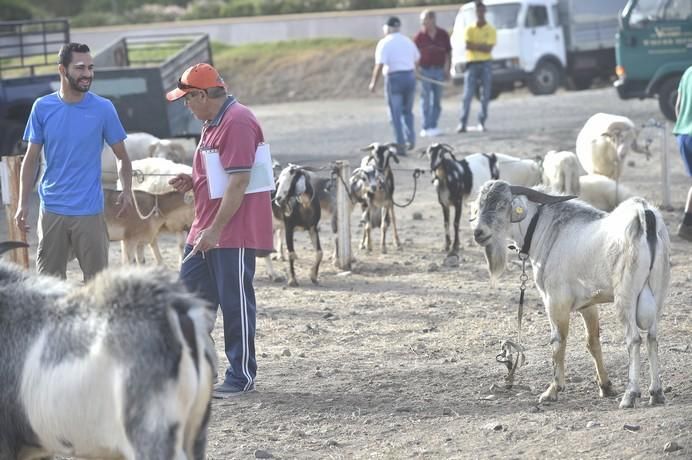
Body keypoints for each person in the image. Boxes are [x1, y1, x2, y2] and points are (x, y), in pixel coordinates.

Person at [166, 63, 273, 398]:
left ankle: (241, 377)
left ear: (201, 94)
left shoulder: (237, 121)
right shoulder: (213, 121)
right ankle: (199, 372)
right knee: (188, 300)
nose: (186, 105)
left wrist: (215, 230)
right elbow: (223, 174)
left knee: (235, 303)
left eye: (187, 99)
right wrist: (193, 178)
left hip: (229, 231)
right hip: (207, 228)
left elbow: (240, 181)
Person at [15, 42, 133, 281]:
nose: (87, 74)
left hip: (90, 211)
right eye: (80, 68)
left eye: (90, 67)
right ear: (62, 70)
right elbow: (31, 159)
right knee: (49, 287)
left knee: (97, 286)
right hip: (51, 210)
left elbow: (123, 157)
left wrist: (127, 189)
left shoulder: (104, 108)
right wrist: (22, 203)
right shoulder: (42, 107)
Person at [369, 16, 420, 155]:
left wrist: (373, 83)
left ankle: (401, 145)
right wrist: (413, 71)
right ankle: (411, 138)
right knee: (407, 111)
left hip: (394, 78)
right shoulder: (407, 40)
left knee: (395, 114)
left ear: (388, 28)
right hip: (409, 76)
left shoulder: (385, 42)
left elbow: (379, 64)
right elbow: (417, 58)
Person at [457, 0, 496, 133]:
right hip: (472, 64)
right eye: (477, 11)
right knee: (467, 95)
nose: (479, 13)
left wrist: (476, 46)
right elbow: (468, 45)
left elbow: (488, 49)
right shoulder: (470, 28)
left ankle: (481, 121)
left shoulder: (490, 29)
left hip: (485, 63)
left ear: (484, 11)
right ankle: (463, 122)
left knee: (485, 95)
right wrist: (481, 46)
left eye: (481, 10)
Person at [414, 9, 452, 138]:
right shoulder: (419, 36)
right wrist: (416, 70)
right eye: (422, 20)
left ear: (432, 19)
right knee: (425, 100)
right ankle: (426, 127)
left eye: (425, 19)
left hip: (439, 70)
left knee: (436, 100)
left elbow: (448, 53)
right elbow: (414, 56)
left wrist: (447, 69)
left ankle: (433, 126)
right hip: (425, 71)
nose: (422, 22)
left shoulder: (443, 35)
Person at [674, 65, 692, 241]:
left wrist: (682, 127)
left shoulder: (687, 72)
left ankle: (687, 224)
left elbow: (678, 106)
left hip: (683, 135)